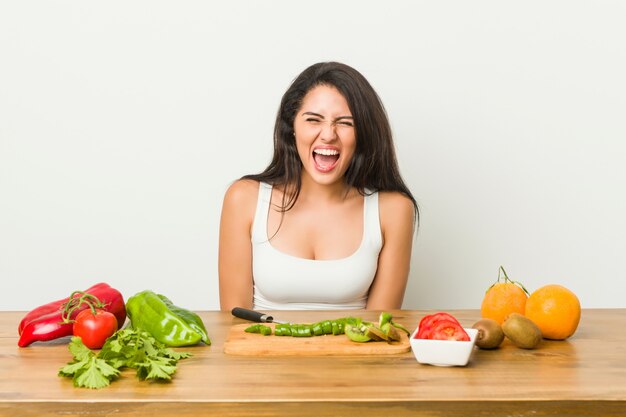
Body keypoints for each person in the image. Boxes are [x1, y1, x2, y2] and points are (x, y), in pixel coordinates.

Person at [218, 61, 418, 312]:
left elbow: (380, 330)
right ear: (291, 127)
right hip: (261, 351)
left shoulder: (393, 210)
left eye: (345, 123)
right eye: (314, 120)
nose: (328, 134)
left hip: (356, 353)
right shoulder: (243, 199)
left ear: (364, 134)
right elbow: (233, 324)